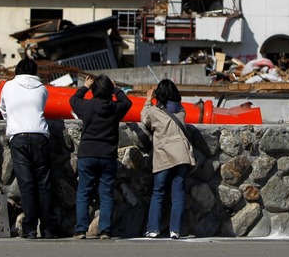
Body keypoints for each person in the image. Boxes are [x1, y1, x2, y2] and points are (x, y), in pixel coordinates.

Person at [0, 57, 56, 239]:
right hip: (40, 135)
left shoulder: (8, 87)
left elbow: (2, 108)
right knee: (44, 184)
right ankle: (48, 229)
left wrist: (12, 121)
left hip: (18, 136)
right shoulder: (43, 89)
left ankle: (30, 229)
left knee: (27, 184)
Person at [70, 74, 132, 239]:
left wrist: (85, 87)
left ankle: (81, 229)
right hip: (107, 155)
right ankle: (105, 230)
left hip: (87, 153)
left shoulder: (87, 106)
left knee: (83, 192)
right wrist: (116, 89)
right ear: (110, 91)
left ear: (94, 91)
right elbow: (127, 102)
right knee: (106, 194)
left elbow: (73, 100)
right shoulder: (115, 108)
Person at [141, 79, 196, 239]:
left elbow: (144, 118)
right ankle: (175, 230)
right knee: (178, 194)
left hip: (164, 156)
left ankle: (153, 229)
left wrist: (148, 99)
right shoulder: (181, 110)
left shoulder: (154, 111)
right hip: (182, 156)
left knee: (158, 193)